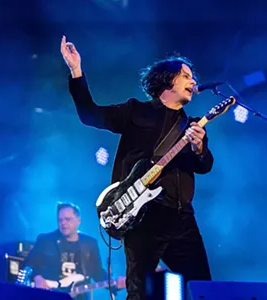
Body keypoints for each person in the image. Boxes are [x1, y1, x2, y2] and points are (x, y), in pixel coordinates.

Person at [61, 35, 213, 299]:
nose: (193, 82)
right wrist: (76, 70)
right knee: (139, 291)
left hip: (181, 218)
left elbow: (204, 165)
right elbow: (89, 114)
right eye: (186, 76)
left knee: (202, 289)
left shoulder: (193, 126)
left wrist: (199, 147)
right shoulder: (136, 111)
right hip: (143, 215)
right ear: (168, 80)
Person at [24, 202, 124, 300]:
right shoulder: (46, 240)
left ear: (78, 221)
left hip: (79, 297)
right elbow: (29, 263)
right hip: (50, 295)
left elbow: (97, 273)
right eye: (60, 220)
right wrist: (37, 277)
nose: (63, 223)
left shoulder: (89, 244)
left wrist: (115, 284)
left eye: (68, 219)